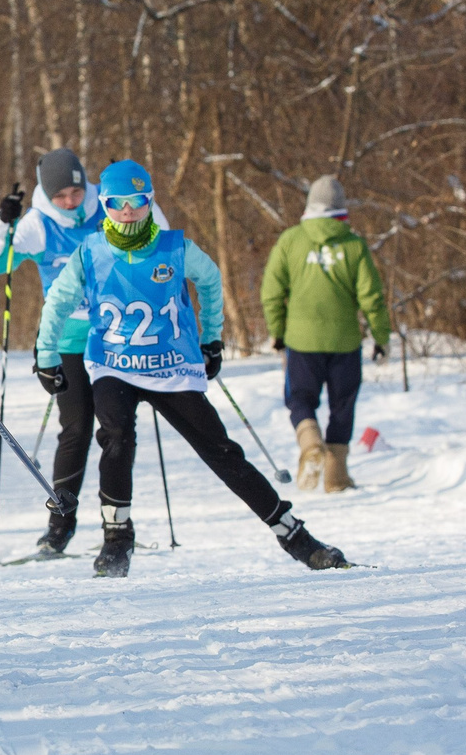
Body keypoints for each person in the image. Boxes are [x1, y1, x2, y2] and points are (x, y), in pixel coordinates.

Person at [32, 159, 350, 577]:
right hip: (114, 364)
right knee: (116, 438)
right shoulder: (89, 252)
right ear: (104, 205)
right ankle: (116, 539)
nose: (127, 211)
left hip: (171, 367)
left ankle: (294, 535)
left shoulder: (174, 248)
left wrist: (211, 338)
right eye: (116, 203)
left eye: (137, 201)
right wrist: (47, 356)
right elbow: (57, 301)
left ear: (149, 202)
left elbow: (211, 280)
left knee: (219, 450)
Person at [0, 149, 166, 555]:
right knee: (76, 430)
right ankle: (60, 525)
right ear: (48, 194)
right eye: (61, 194)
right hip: (67, 341)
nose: (70, 201)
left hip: (117, 335)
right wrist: (1, 221)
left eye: (77, 191)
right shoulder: (40, 223)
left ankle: (116, 526)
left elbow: (160, 237)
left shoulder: (108, 205)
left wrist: (134, 198)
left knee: (117, 430)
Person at [260, 174, 391, 493]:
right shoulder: (354, 245)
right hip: (344, 342)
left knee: (300, 399)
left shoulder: (291, 240)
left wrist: (277, 331)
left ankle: (310, 444)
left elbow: (271, 292)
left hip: (301, 342)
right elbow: (371, 297)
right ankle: (337, 477)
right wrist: (381, 336)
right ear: (341, 208)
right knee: (342, 404)